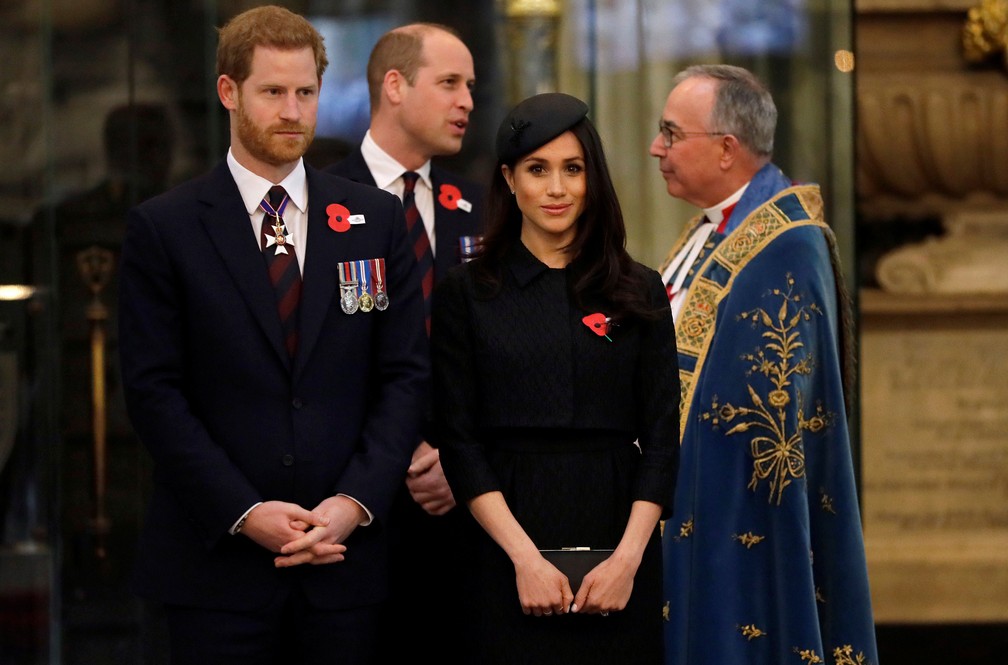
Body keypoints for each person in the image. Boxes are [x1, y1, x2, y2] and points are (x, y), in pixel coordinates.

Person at [117, 6, 429, 664]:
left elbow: (404, 374)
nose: (293, 111)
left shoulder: (374, 219)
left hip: (348, 562)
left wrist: (353, 501)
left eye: (306, 92)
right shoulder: (164, 229)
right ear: (229, 92)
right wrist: (245, 510)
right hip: (215, 570)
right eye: (273, 92)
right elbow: (153, 393)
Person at [431, 92, 680, 664]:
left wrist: (626, 561)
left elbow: (664, 439)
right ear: (509, 180)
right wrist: (525, 560)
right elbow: (459, 444)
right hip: (501, 544)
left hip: (621, 538)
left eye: (573, 169)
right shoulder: (467, 294)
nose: (557, 188)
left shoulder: (639, 289)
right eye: (537, 170)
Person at [649, 64, 878, 665]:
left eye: (672, 133)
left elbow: (761, 423)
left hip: (733, 524)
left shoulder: (785, 244)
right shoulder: (712, 229)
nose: (657, 148)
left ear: (726, 149)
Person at [324, 23, 483, 662]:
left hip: (462, 505)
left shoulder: (479, 209)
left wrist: (455, 454)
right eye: (449, 83)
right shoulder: (320, 202)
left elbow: (499, 355)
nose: (467, 100)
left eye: (471, 86)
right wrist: (397, 454)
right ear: (394, 85)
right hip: (354, 504)